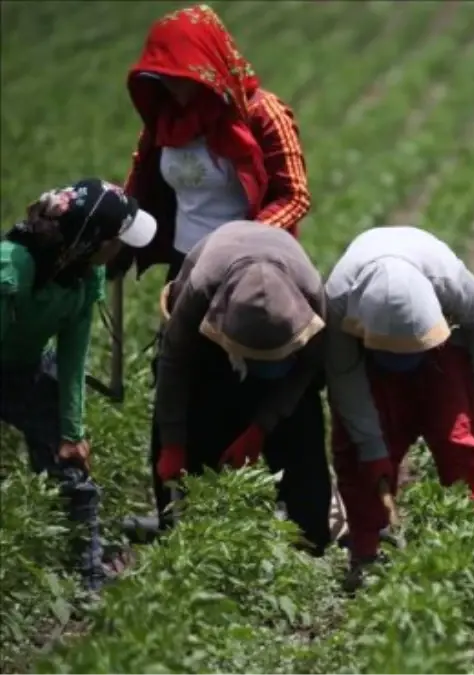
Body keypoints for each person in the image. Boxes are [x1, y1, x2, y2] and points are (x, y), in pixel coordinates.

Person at [1, 179, 158, 590]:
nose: (122, 248)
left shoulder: (86, 276)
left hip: (25, 365)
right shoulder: (12, 269)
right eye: (117, 239)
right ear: (91, 239)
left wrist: (72, 433)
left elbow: (73, 356)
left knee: (71, 468)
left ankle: (86, 574)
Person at [326, 226, 474, 582]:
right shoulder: (338, 299)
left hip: (440, 354)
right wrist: (372, 449)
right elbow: (346, 381)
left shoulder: (446, 278)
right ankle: (366, 553)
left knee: (461, 441)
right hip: (370, 361)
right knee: (362, 456)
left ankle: (471, 544)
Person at [152, 220, 331, 556]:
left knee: (301, 434)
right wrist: (173, 444)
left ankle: (309, 545)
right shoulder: (200, 290)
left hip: (288, 366)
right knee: (197, 441)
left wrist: (261, 427)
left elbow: (310, 366)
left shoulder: (309, 294)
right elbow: (174, 367)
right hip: (209, 352)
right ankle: (187, 543)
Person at [109, 3, 311, 283]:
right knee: (176, 328)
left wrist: (243, 244)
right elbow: (141, 179)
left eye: (179, 75)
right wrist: (123, 234)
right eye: (163, 76)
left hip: (248, 267)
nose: (171, 85)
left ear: (207, 68)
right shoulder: (167, 119)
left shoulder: (261, 114)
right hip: (186, 263)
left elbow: (294, 196)